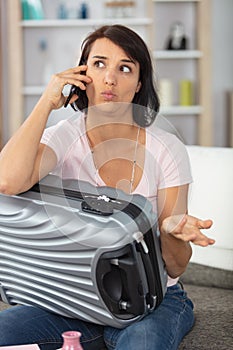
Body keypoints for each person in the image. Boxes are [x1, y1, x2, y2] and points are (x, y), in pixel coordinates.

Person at [0, 25, 215, 350]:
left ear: (139, 83)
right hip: (74, 296)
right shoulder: (62, 136)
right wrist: (46, 102)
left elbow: (176, 265)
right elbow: (7, 181)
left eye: (125, 68)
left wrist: (171, 230)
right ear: (82, 73)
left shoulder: (166, 148)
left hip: (152, 301)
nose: (110, 78)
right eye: (99, 64)